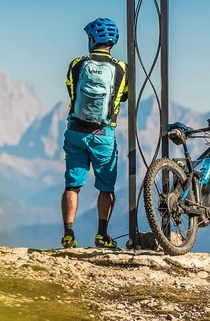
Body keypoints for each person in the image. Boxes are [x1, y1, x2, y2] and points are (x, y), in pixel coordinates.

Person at [61, 17, 128, 249]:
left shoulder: (77, 64)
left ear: (92, 39)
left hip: (76, 132)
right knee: (106, 188)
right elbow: (124, 95)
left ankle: (68, 235)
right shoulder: (121, 69)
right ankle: (102, 235)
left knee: (72, 185)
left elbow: (71, 90)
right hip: (103, 135)